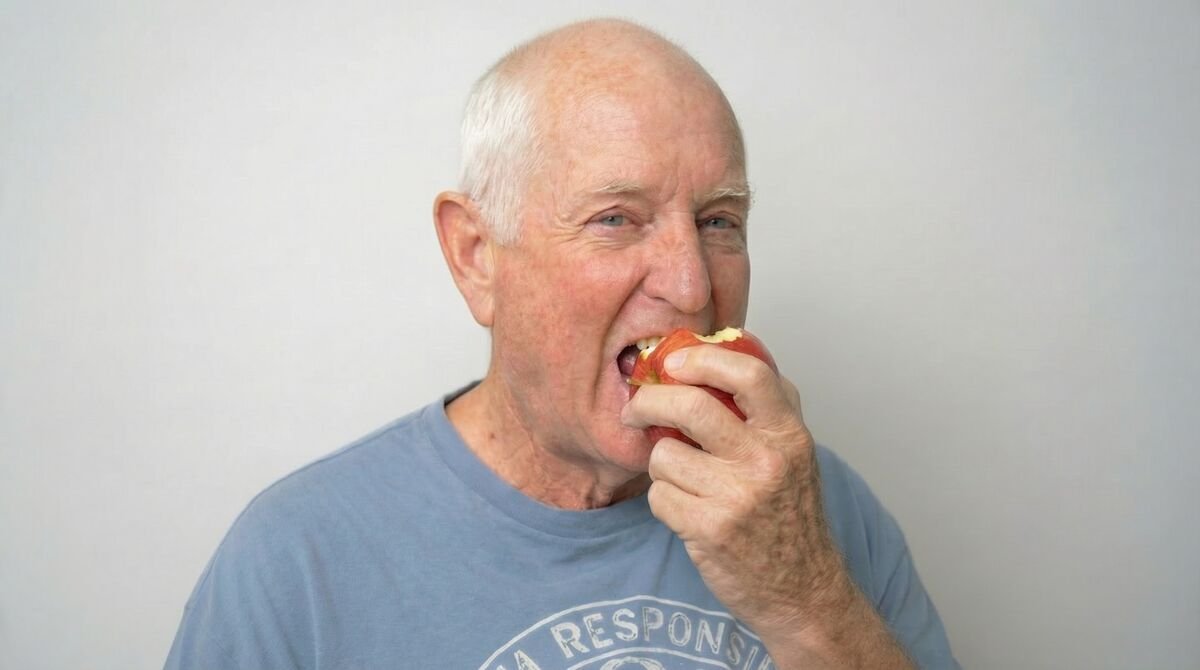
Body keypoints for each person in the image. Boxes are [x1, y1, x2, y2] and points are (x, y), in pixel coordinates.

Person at [165, 18, 959, 669]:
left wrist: (806, 602)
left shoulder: (813, 508)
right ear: (476, 256)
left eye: (719, 221)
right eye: (616, 218)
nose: (691, 286)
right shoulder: (296, 558)